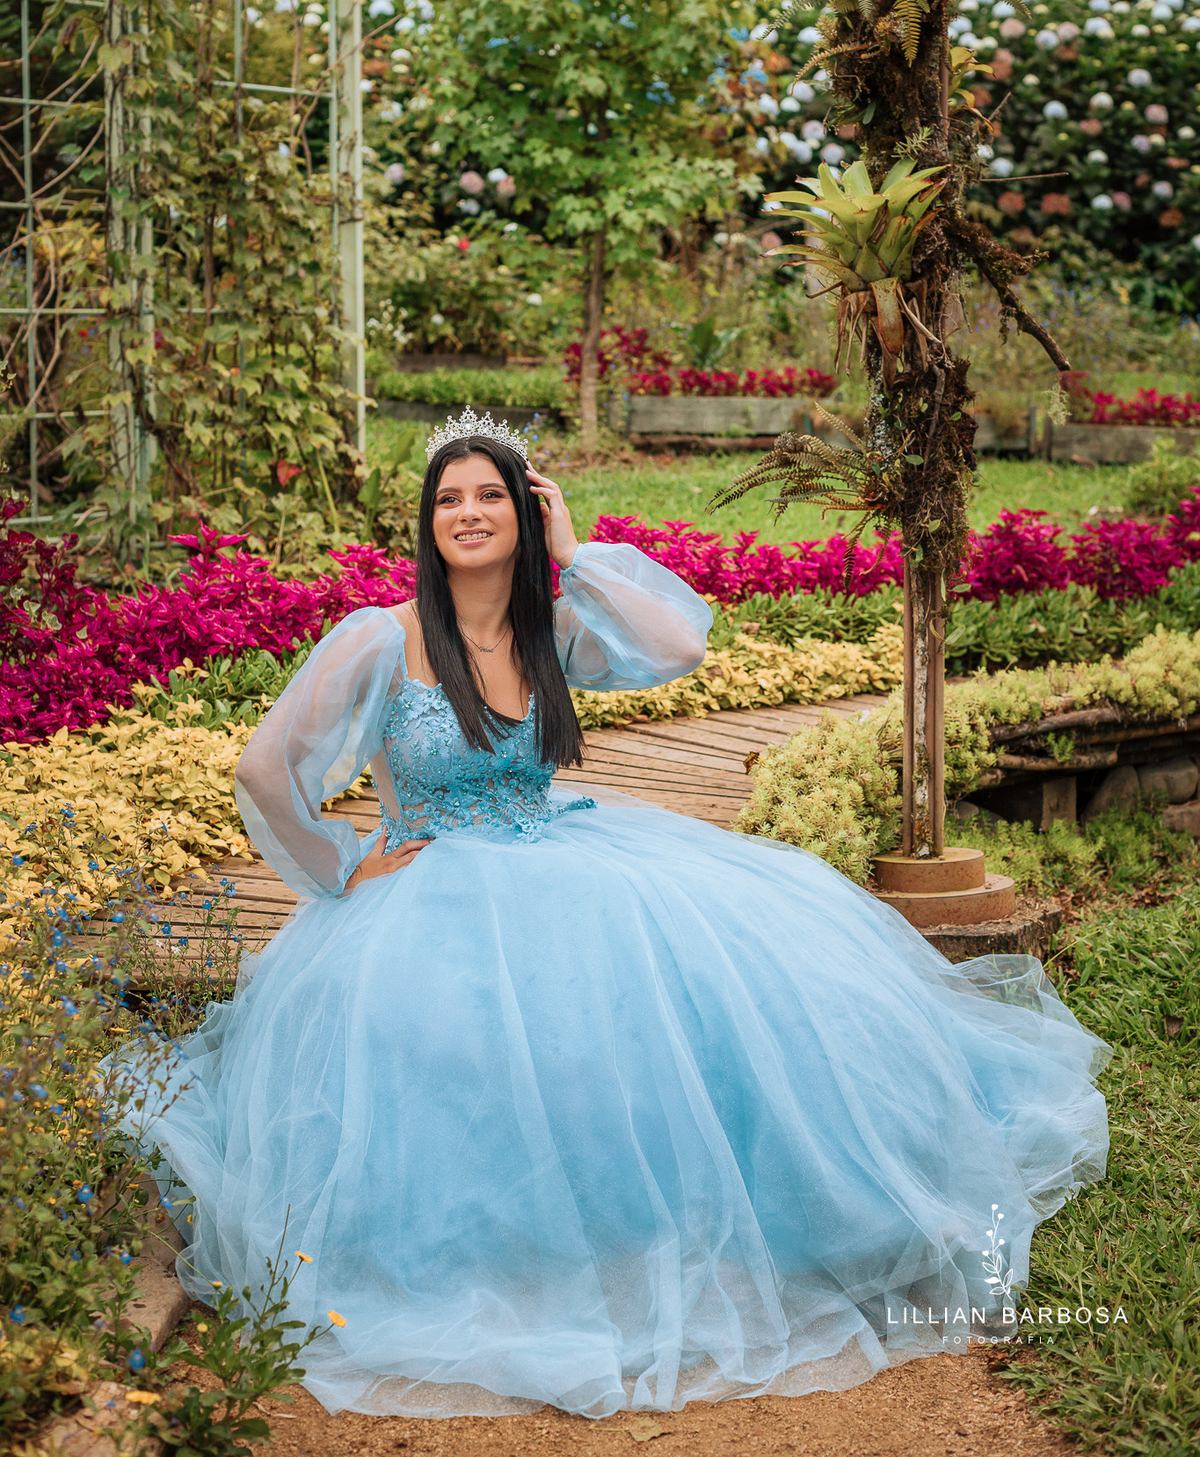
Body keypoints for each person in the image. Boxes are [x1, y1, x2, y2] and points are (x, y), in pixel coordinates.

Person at [116, 407, 1111, 1422]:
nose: (468, 513)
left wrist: (572, 550)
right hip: (433, 886)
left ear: (521, 509)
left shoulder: (551, 631)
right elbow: (265, 764)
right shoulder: (386, 638)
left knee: (668, 1015)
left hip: (564, 853)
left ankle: (660, 1230)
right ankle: (505, 1251)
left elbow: (678, 642)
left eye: (491, 495)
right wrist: (339, 868)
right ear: (426, 523)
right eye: (448, 499)